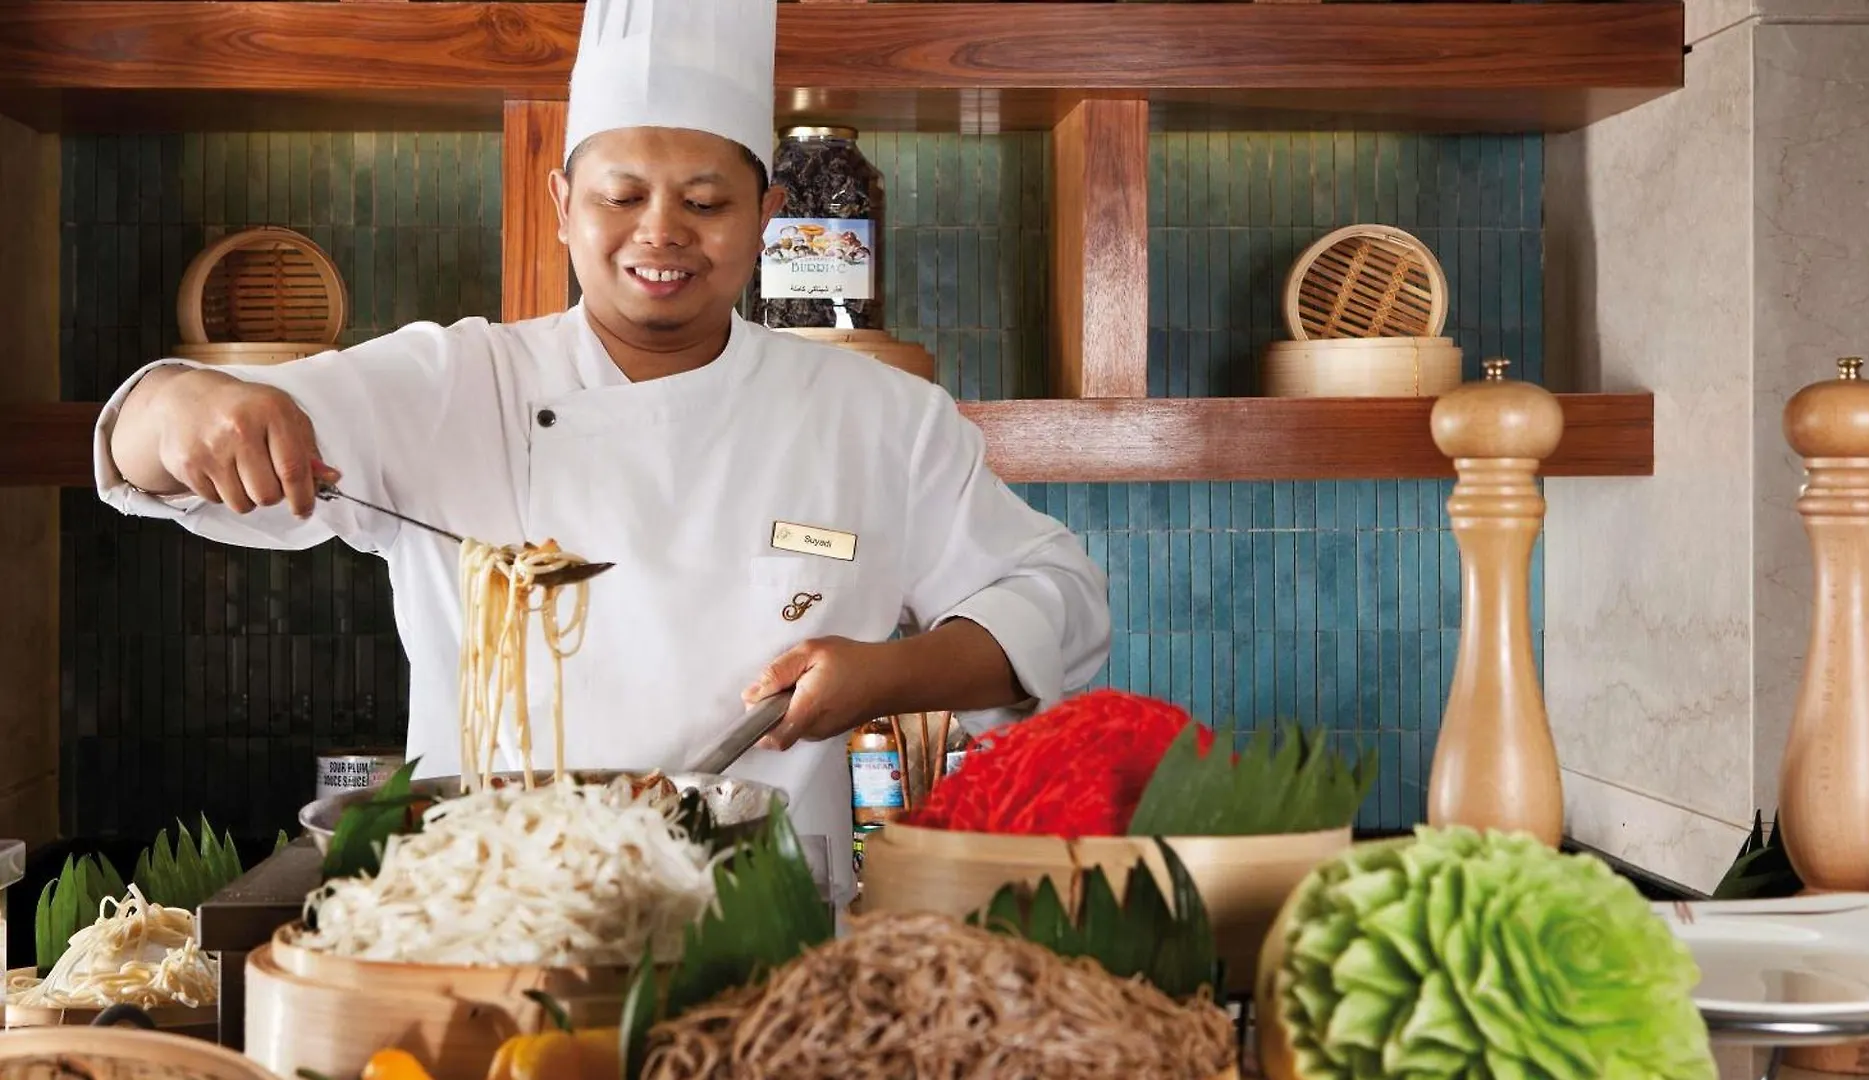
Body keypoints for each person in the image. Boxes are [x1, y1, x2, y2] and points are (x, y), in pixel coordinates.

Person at [89, 0, 1110, 899]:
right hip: (493, 915)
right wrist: (182, 403)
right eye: (620, 196)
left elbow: (1058, 599)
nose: (660, 233)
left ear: (763, 217)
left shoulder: (880, 416)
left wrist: (886, 674)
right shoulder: (453, 383)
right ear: (561, 205)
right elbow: (149, 443)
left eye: (706, 202)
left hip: (760, 926)